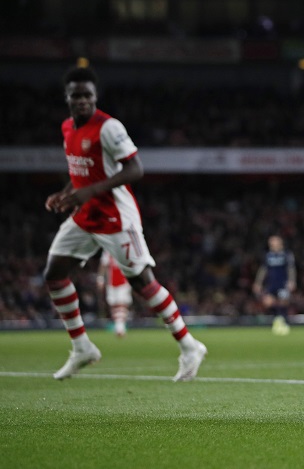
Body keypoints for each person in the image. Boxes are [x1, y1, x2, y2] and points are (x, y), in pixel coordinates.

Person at [44, 66, 207, 381]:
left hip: (115, 216)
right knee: (54, 273)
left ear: (95, 97)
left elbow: (135, 169)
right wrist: (65, 194)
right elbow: (81, 172)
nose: (82, 101)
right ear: (67, 97)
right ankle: (82, 348)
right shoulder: (67, 128)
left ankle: (189, 346)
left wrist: (90, 191)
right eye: (76, 95)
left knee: (143, 283)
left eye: (87, 95)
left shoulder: (109, 127)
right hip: (85, 216)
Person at [252, 234, 296, 335]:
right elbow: (263, 270)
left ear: (280, 243)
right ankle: (277, 319)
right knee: (268, 302)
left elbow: (291, 268)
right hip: (271, 284)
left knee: (283, 302)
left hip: (283, 284)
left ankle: (283, 322)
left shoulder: (286, 255)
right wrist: (258, 283)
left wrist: (292, 281)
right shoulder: (268, 256)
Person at [97, 250, 132, 337]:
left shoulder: (124, 249)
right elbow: (103, 264)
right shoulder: (107, 251)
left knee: (122, 304)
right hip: (111, 283)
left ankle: (120, 327)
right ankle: (118, 325)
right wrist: (100, 278)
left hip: (124, 282)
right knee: (114, 305)